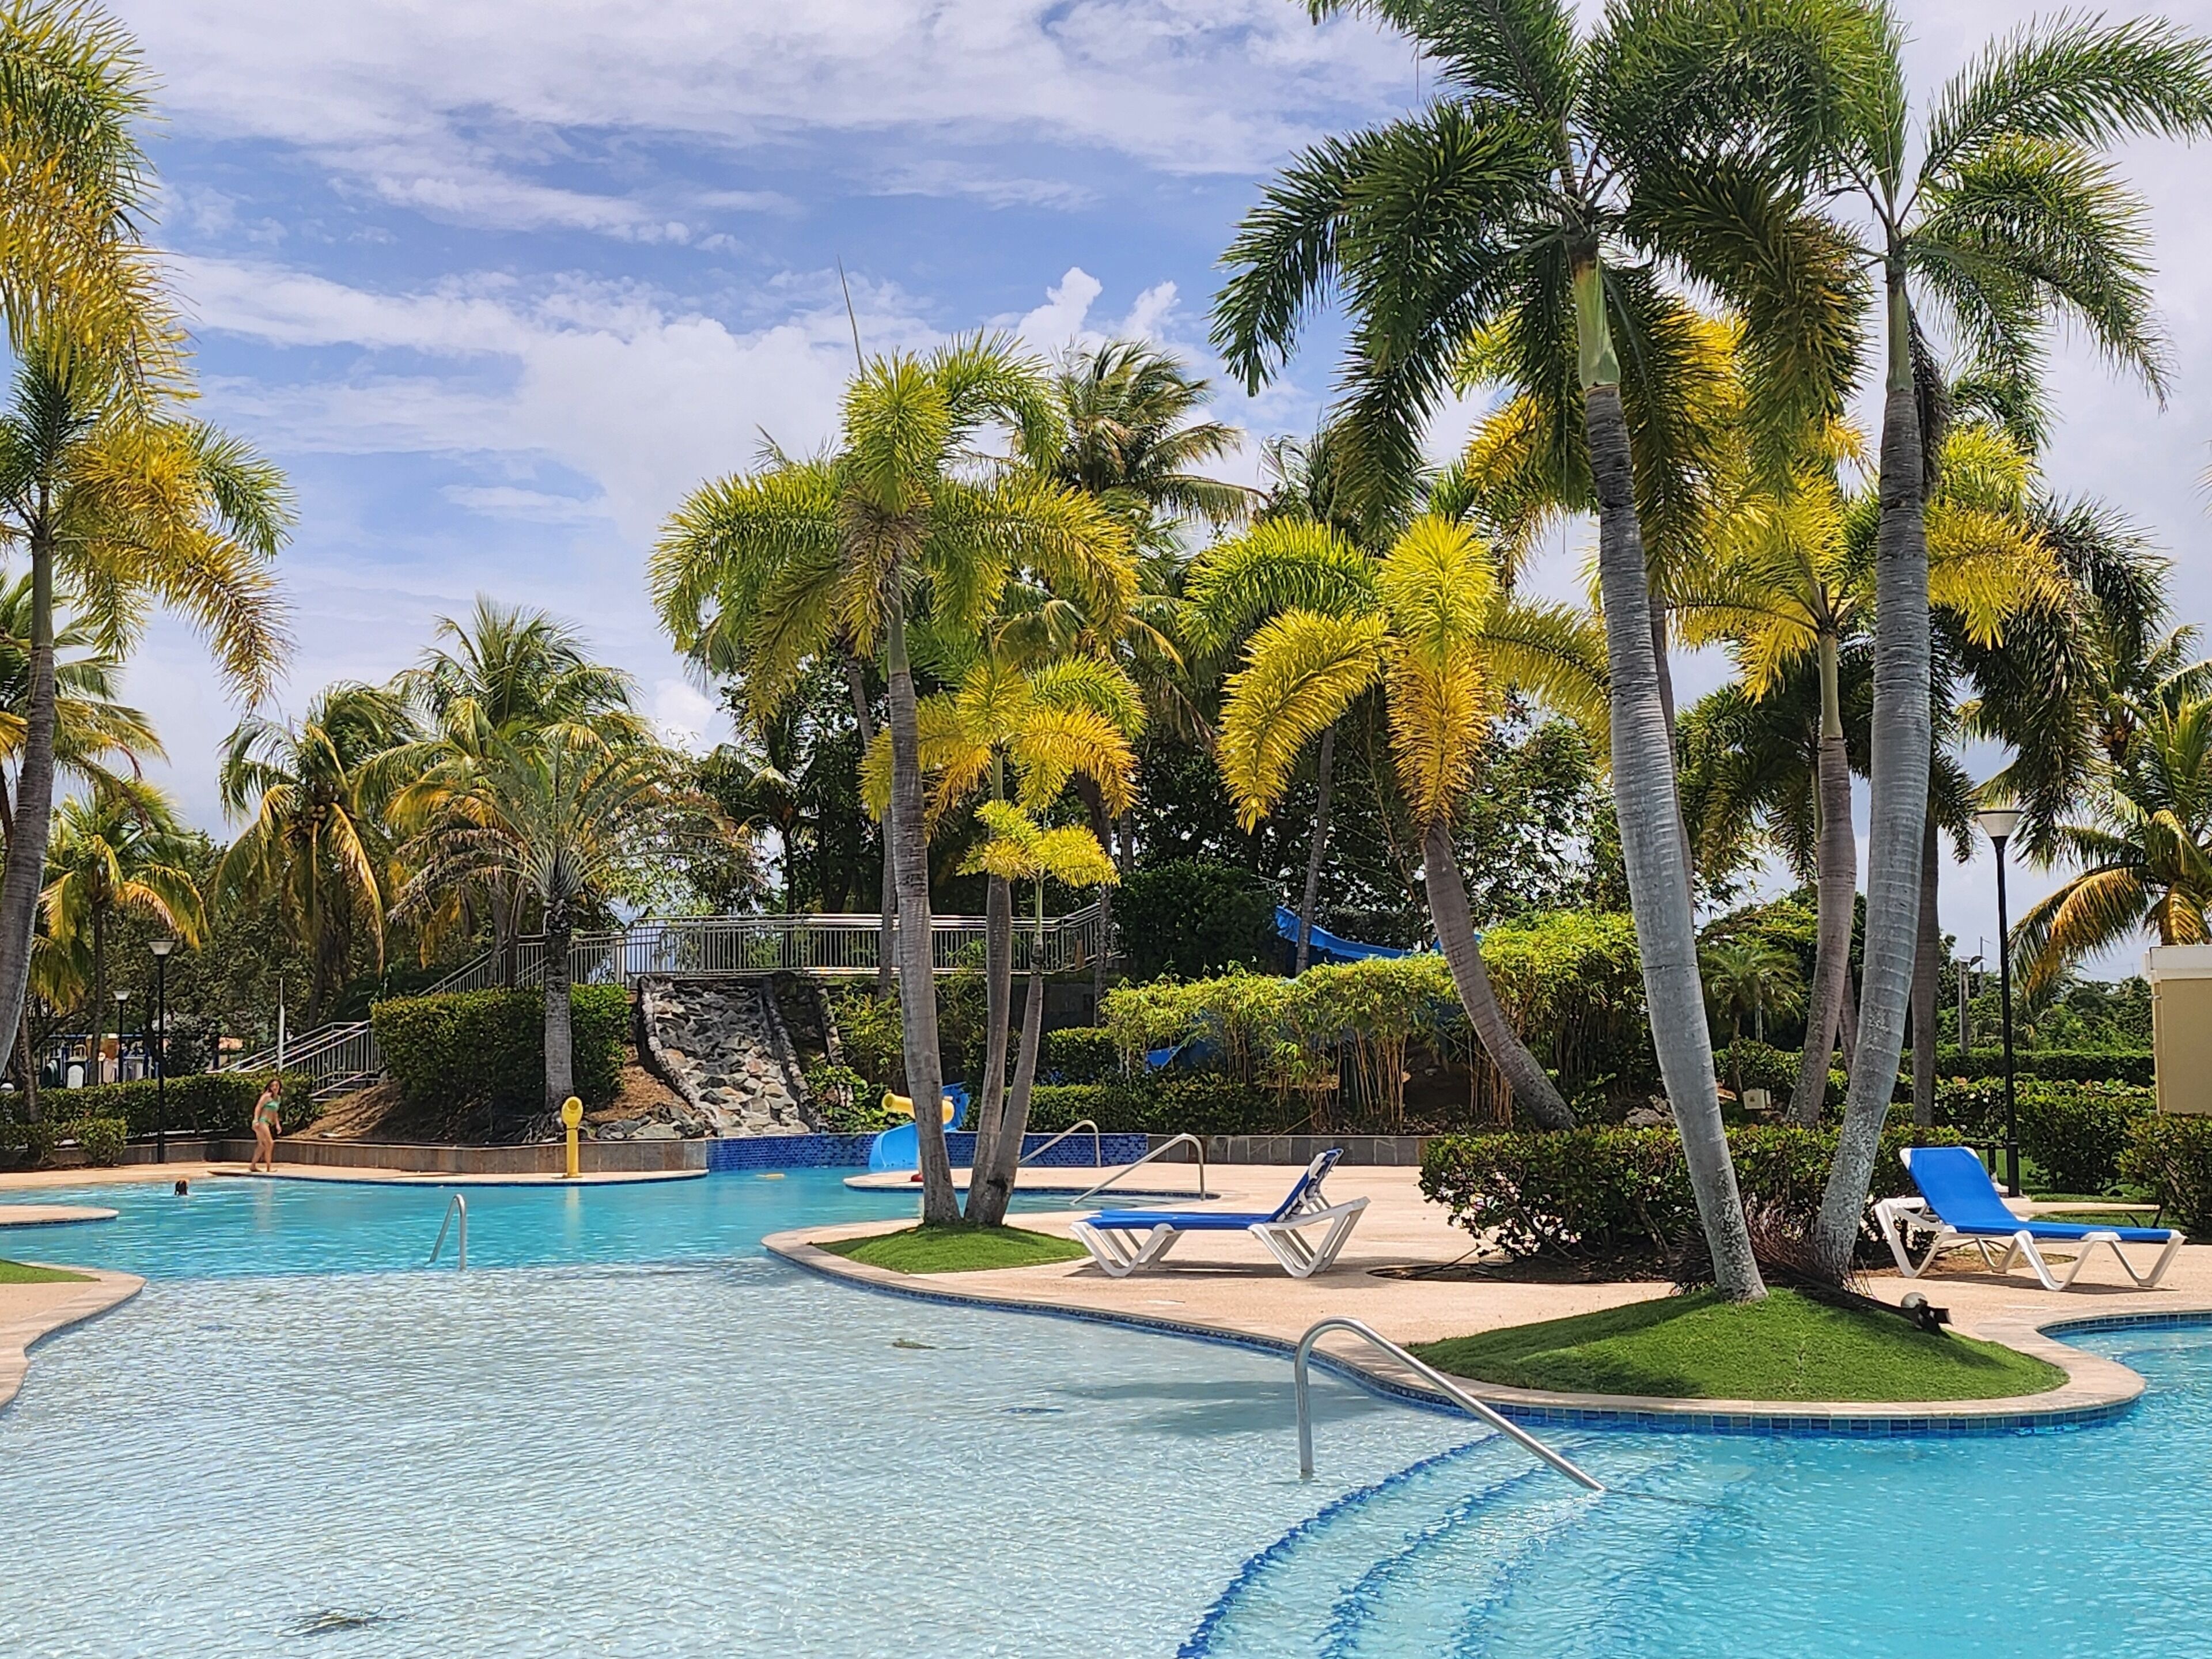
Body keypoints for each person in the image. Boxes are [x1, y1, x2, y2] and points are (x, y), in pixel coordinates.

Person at [250, 1082, 282, 1173]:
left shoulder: (278, 1099)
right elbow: (258, 1108)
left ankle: (253, 1166)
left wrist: (277, 1124)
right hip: (262, 1121)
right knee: (270, 1143)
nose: (275, 1088)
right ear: (270, 1087)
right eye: (273, 1086)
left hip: (268, 1123)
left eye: (277, 1086)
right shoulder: (266, 1096)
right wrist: (255, 1120)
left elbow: (275, 1113)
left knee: (262, 1146)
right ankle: (269, 1167)